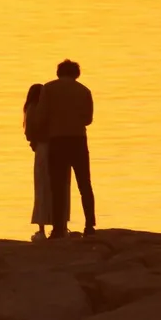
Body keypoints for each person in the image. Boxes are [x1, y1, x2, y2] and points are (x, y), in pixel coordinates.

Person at [34, 60, 96, 238]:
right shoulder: (84, 91)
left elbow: (41, 117)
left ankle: (58, 228)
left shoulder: (49, 89)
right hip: (78, 139)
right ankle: (90, 225)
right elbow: (87, 119)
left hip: (57, 140)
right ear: (76, 74)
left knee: (57, 185)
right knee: (84, 184)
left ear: (58, 72)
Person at [23, 83, 71, 242]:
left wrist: (34, 142)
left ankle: (42, 229)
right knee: (59, 187)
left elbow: (30, 133)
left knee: (42, 187)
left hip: (43, 150)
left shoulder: (31, 109)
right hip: (58, 148)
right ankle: (61, 226)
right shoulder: (53, 110)